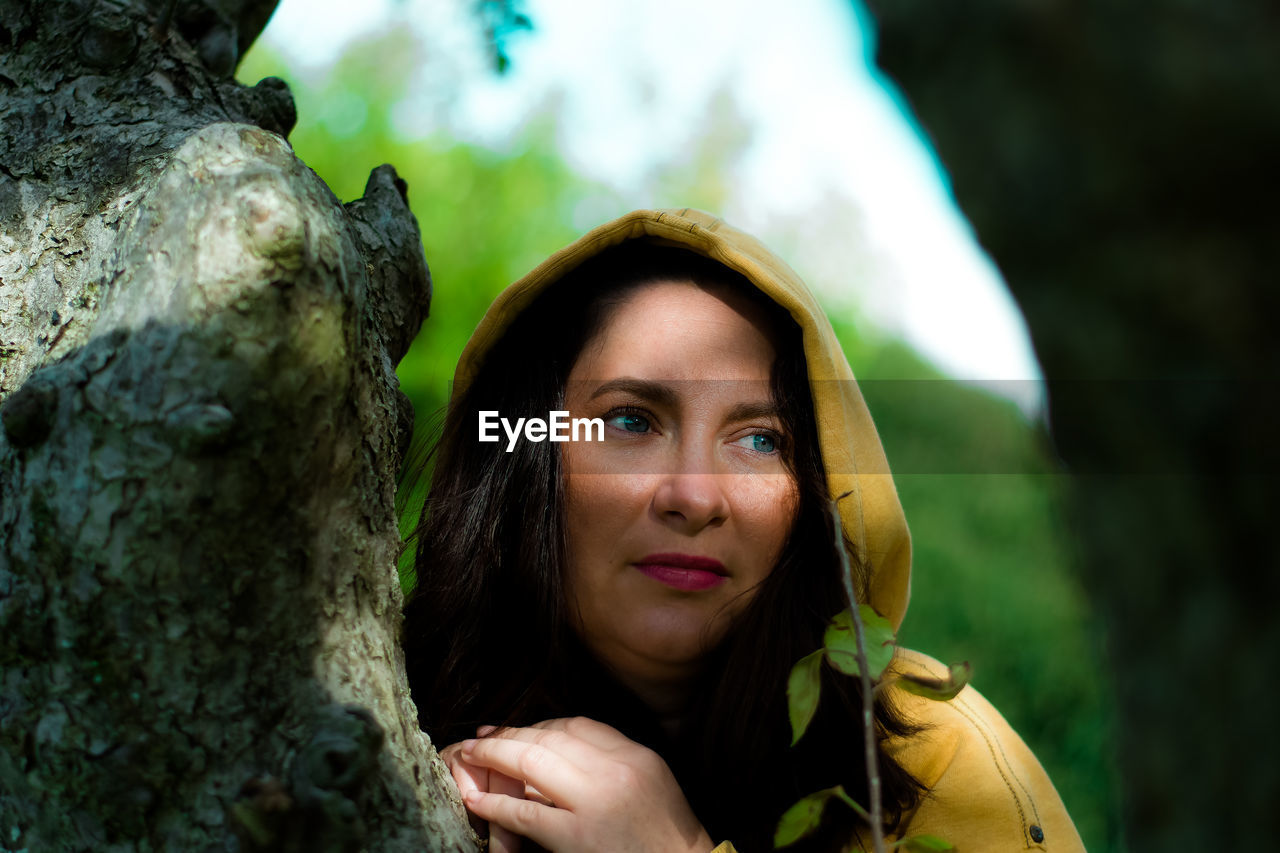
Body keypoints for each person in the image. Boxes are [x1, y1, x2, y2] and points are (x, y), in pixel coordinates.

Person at [401, 208, 1084, 852]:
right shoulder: (375, 712)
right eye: (632, 420)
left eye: (760, 439)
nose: (695, 496)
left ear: (815, 496)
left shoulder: (930, 753)